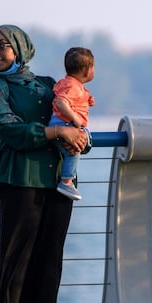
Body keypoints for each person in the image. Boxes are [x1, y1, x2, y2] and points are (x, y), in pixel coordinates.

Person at [0, 24, 87, 303]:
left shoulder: (48, 86)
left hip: (56, 182)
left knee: (50, 259)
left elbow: (77, 118)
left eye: (1, 45)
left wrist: (80, 136)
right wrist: (57, 132)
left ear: (20, 48)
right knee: (14, 258)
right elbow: (12, 131)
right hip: (18, 178)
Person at [48, 47, 96, 200]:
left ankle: (67, 178)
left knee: (73, 148)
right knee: (74, 150)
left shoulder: (68, 83)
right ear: (87, 71)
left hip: (59, 122)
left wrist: (88, 98)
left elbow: (71, 95)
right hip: (65, 123)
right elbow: (61, 102)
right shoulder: (73, 87)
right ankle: (66, 181)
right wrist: (75, 118)